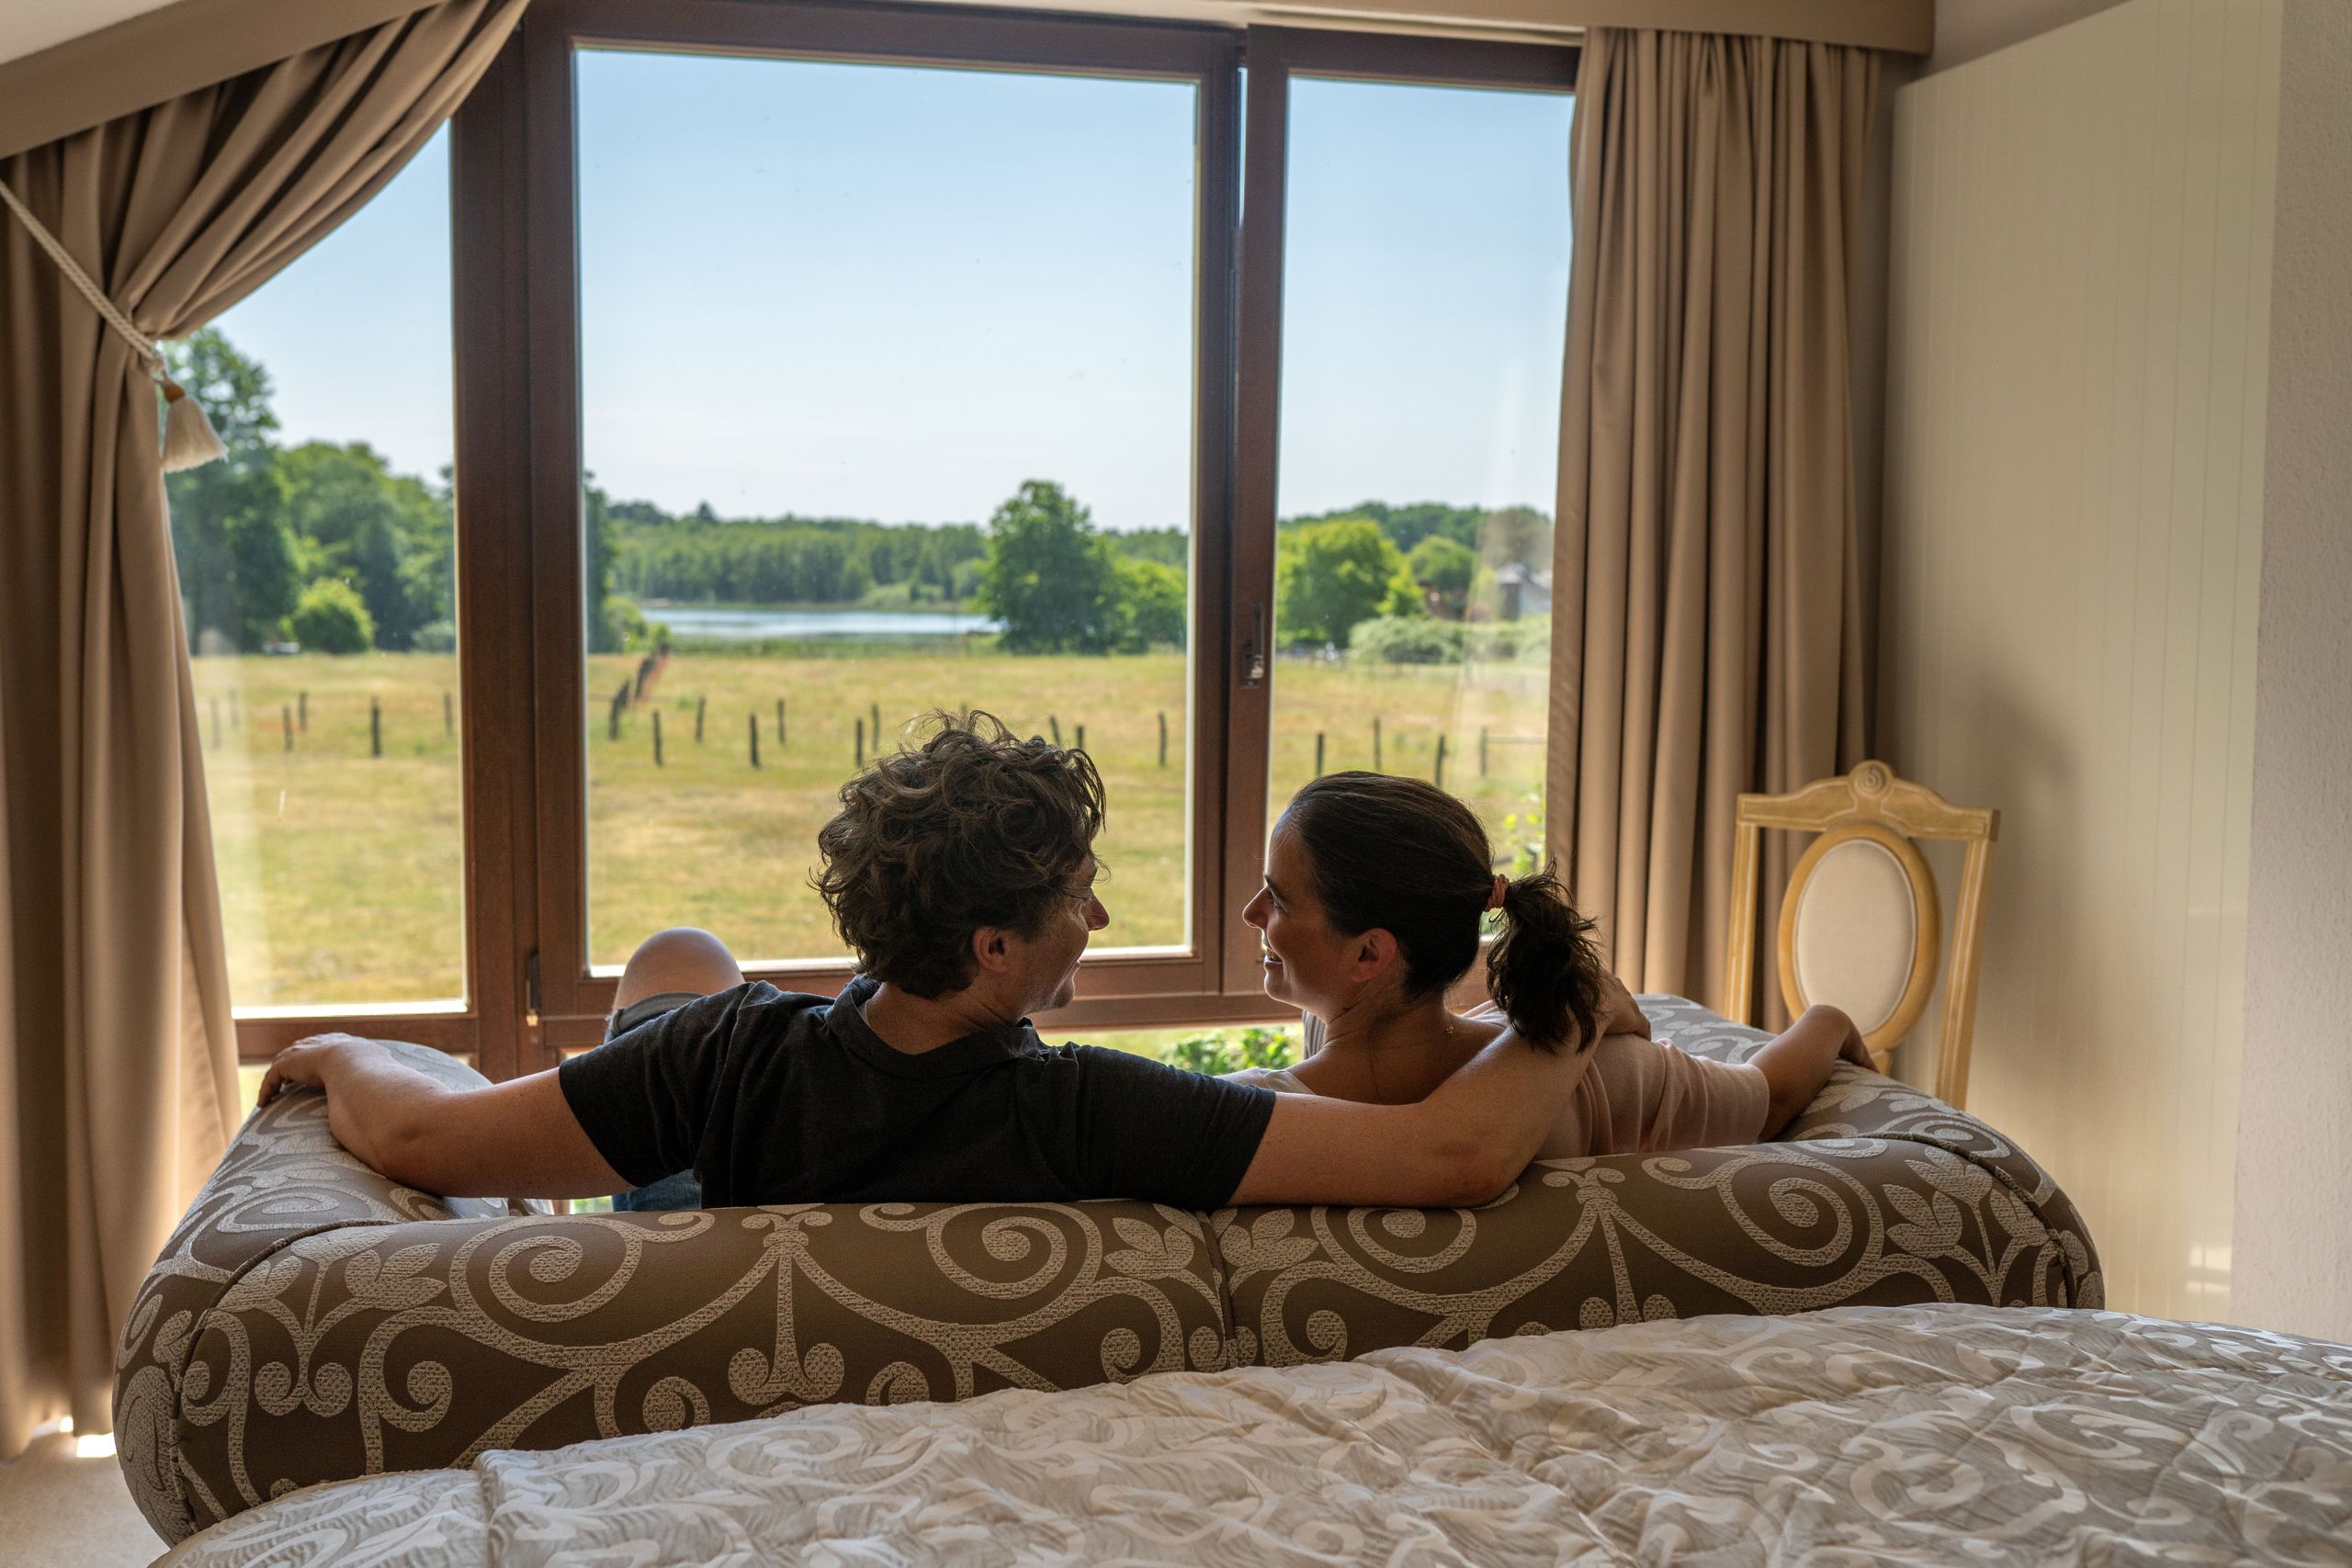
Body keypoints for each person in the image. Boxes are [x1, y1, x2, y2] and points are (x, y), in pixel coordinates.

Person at [257, 714, 1599, 1212]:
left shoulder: (724, 1046)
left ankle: (559, 1127)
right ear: (996, 947)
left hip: (715, 1158)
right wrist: (1569, 1000)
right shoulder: (1082, 1107)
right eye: (1079, 895)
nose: (1099, 916)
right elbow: (1451, 1159)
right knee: (679, 962)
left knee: (676, 962)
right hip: (746, 1138)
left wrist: (332, 1050)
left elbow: (419, 1135)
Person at [1229, 773, 1873, 1156]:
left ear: (1370, 952)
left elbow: (1777, 1098)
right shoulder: (1601, 1064)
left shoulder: (1261, 1110)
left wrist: (1828, 1021)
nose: (1251, 912)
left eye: (1278, 898)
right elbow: (1767, 1094)